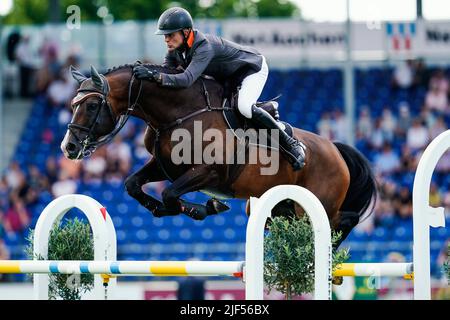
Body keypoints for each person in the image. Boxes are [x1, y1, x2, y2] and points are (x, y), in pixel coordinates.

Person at [132, 7, 305, 170]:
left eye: (170, 35)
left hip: (251, 69)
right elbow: (168, 72)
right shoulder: (175, 50)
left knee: (243, 106)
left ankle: (291, 144)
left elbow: (186, 79)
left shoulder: (204, 46)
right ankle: (264, 112)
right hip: (228, 77)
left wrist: (154, 76)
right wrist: (149, 71)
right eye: (165, 36)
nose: (166, 39)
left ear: (185, 32)